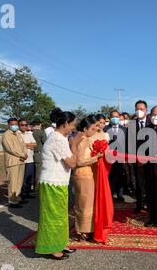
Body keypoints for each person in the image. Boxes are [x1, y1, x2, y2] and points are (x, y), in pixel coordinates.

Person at [35, 109, 79, 261]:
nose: (74, 127)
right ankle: (52, 248)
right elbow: (72, 163)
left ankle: (60, 243)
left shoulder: (59, 137)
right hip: (52, 183)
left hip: (58, 182)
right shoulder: (57, 139)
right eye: (73, 124)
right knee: (53, 217)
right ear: (65, 123)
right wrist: (75, 145)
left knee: (60, 216)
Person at [72, 116, 109, 242]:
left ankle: (87, 229)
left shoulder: (85, 138)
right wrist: (97, 157)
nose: (95, 131)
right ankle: (82, 231)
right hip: (83, 174)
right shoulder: (82, 140)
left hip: (88, 174)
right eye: (93, 129)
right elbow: (80, 161)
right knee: (84, 204)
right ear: (85, 128)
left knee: (88, 203)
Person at [2, 118, 28, 208]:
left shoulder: (18, 134)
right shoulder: (6, 135)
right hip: (12, 161)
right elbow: (10, 149)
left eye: (16, 124)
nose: (15, 126)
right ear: (8, 125)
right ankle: (12, 201)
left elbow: (23, 145)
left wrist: (25, 154)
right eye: (13, 124)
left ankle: (17, 198)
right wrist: (21, 154)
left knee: (19, 182)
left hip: (21, 161)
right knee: (13, 182)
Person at [104, 110, 127, 202]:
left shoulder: (124, 129)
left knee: (120, 175)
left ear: (119, 117)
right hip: (109, 156)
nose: (115, 118)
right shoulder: (105, 129)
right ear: (110, 118)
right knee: (110, 176)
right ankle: (110, 194)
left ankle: (120, 194)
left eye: (117, 117)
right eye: (113, 116)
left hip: (120, 156)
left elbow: (127, 143)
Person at [134, 100, 149, 214]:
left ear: (146, 110)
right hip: (136, 160)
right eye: (137, 109)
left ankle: (149, 204)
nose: (139, 111)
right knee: (139, 184)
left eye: (142, 109)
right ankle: (139, 204)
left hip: (151, 161)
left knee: (150, 184)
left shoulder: (152, 123)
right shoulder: (131, 124)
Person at [19, 119, 37, 199]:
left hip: (30, 159)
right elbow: (18, 145)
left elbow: (35, 144)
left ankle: (27, 193)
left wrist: (25, 145)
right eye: (22, 125)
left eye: (26, 125)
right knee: (21, 178)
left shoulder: (29, 134)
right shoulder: (17, 134)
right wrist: (29, 145)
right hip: (21, 159)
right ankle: (21, 194)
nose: (24, 126)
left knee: (28, 177)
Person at [31, 119, 47, 191]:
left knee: (30, 171)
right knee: (38, 171)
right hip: (38, 153)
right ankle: (36, 187)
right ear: (40, 124)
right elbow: (46, 143)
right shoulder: (41, 132)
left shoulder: (29, 132)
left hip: (30, 153)